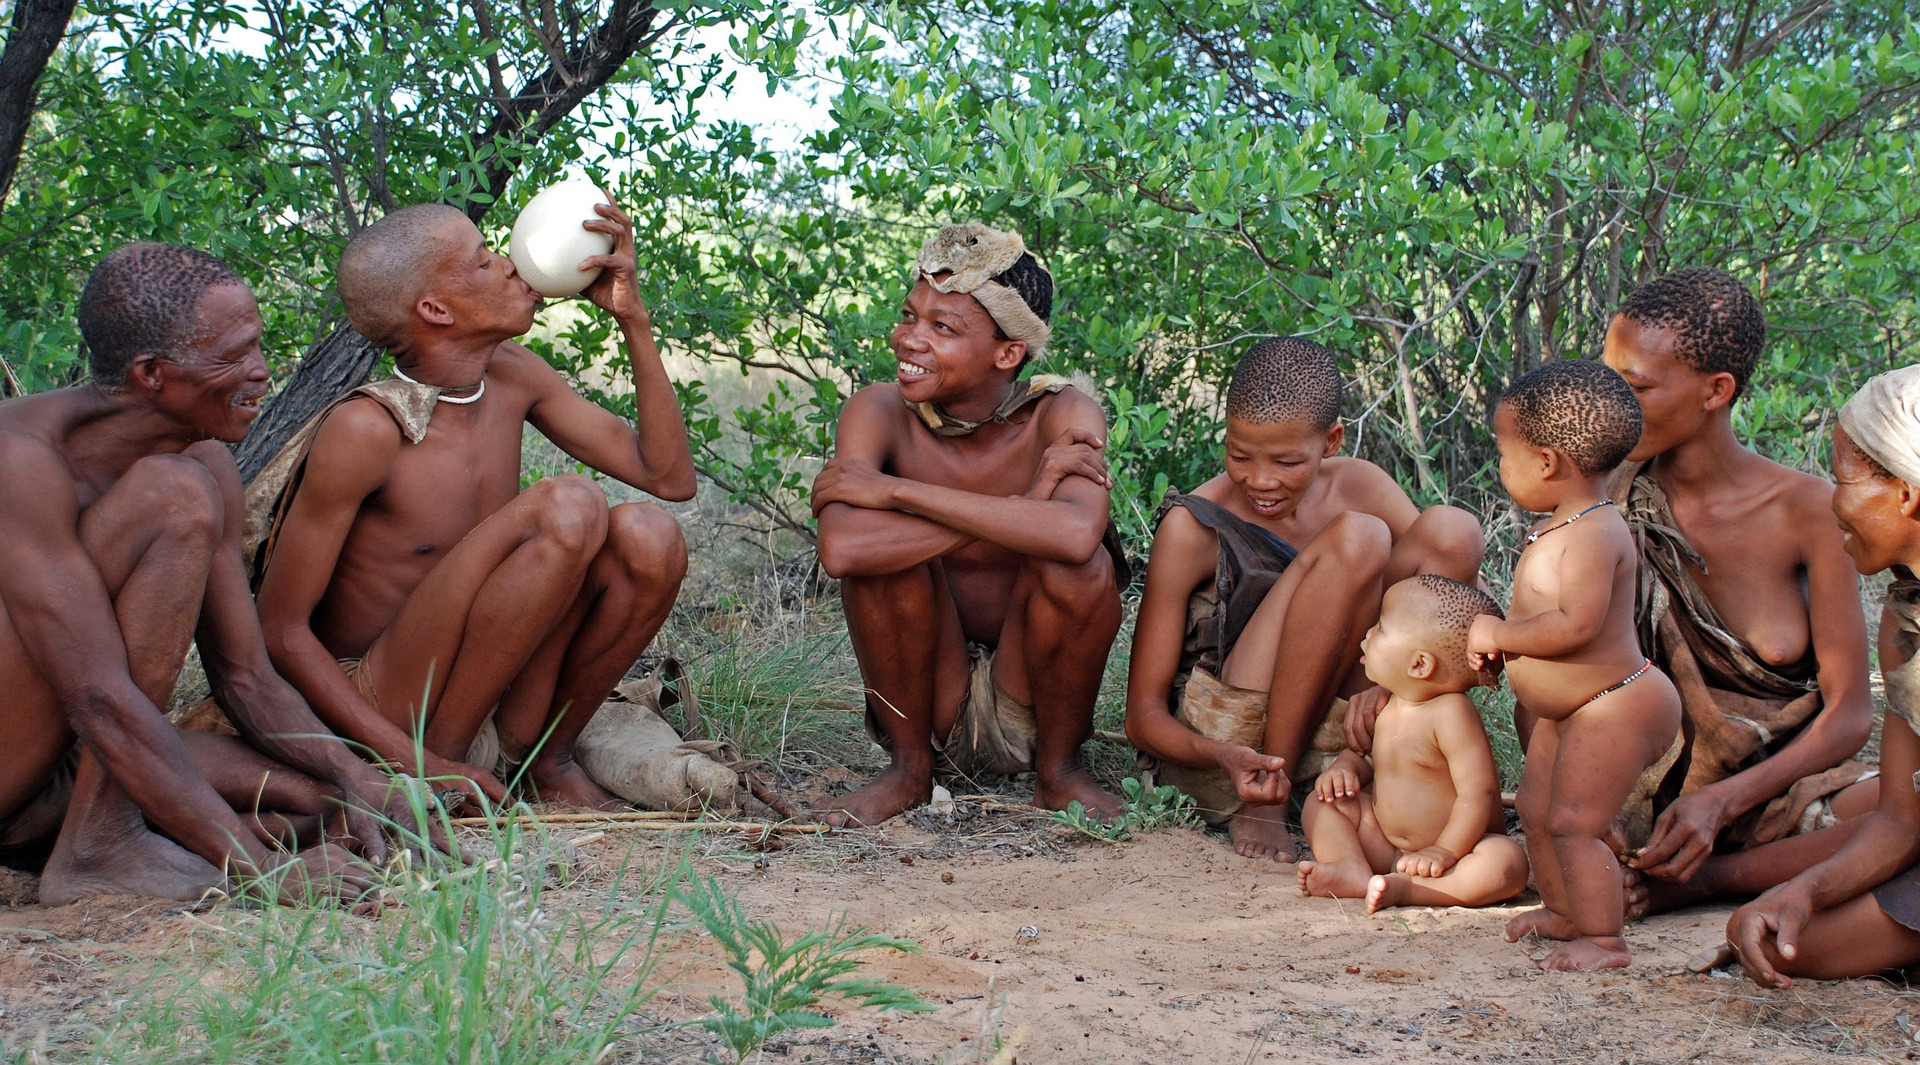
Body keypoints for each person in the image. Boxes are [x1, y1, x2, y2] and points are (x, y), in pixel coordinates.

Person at [0, 243, 429, 907]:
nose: (261, 372)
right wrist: (261, 868)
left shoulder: (206, 459)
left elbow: (244, 675)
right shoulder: (21, 460)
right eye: (234, 354)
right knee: (174, 495)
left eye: (258, 346)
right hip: (24, 754)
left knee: (327, 804)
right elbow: (97, 695)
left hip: (67, 770)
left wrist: (359, 773)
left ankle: (106, 833)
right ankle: (98, 846)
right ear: (151, 373)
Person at [251, 194, 694, 812]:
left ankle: (545, 762)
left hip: (491, 684)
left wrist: (632, 318)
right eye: (486, 261)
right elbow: (279, 631)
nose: (513, 263)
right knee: (568, 503)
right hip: (389, 707)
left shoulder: (512, 374)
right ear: (434, 308)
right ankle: (447, 777)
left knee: (651, 535)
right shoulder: (367, 430)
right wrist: (418, 762)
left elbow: (668, 477)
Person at [809, 222, 1124, 827]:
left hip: (1028, 696)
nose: (909, 340)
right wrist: (1028, 500)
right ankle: (908, 771)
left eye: (943, 328)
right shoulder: (879, 411)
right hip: (931, 696)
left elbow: (1075, 536)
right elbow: (844, 550)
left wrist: (896, 491)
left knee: (1084, 569)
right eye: (909, 316)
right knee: (883, 561)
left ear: (1008, 354)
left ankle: (1059, 772)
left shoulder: (1063, 413)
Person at [1123, 336, 1485, 860]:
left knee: (1453, 531)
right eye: (1239, 456)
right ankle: (1271, 796)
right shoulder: (1192, 526)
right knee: (1359, 538)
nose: (1260, 480)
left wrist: (1394, 688)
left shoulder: (1360, 484)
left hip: (1344, 713)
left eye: (1287, 462)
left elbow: (1450, 602)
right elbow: (1142, 715)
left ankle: (1381, 752)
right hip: (1239, 733)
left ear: (1332, 441)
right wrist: (1223, 754)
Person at [1595, 268, 1875, 915]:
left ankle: (1712, 880)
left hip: (1779, 792)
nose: (1611, 403)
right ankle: (1662, 858)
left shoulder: (1807, 511)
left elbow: (1850, 714)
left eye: (1634, 386)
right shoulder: (1604, 497)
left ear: (1716, 390)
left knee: (1906, 814)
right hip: (1639, 797)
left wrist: (1724, 799)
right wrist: (1587, 803)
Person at [1471, 359, 1682, 971]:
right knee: (1537, 809)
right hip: (1570, 709)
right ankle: (1566, 912)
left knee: (1574, 821)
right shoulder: (1559, 524)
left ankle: (1605, 939)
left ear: (1545, 463)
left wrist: (1501, 632)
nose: (1500, 467)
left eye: (1504, 453)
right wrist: (1501, 644)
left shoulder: (1595, 532)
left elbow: (1577, 624)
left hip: (1615, 703)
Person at [1726, 367, 1920, 986]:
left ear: (1907, 495)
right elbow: (1899, 820)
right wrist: (1801, 891)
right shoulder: (1904, 619)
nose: (1833, 503)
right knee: (1794, 946)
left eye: (1842, 481)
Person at [1297, 575, 1527, 913]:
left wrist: (1445, 850)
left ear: (1419, 664)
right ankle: (1352, 867)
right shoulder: (1390, 704)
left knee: (1506, 862)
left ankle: (1415, 891)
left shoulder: (1451, 714)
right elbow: (1372, 759)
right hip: (1385, 843)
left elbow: (1478, 793)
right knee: (1321, 804)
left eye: (1381, 628)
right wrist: (1346, 768)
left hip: (1456, 853)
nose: (1368, 634)